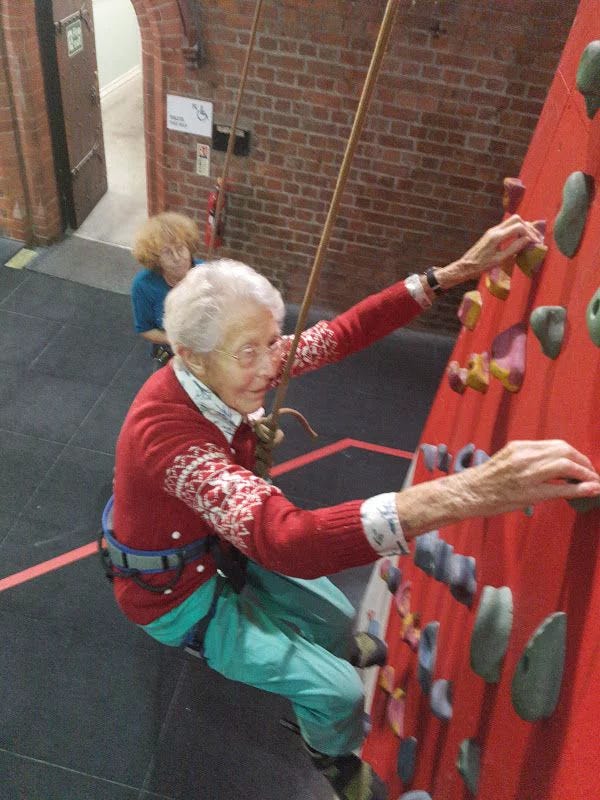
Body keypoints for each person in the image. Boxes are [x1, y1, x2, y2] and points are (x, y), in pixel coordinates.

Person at [107, 214, 600, 800]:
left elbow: (338, 335)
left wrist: (450, 275)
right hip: (173, 593)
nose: (272, 365)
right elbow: (286, 540)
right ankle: (330, 753)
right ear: (189, 356)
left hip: (210, 543)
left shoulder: (223, 364)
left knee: (338, 619)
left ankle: (337, 650)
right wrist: (471, 491)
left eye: (273, 341)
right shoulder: (166, 435)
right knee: (338, 692)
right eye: (251, 353)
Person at [130, 211, 202, 366]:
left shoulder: (207, 275)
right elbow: (145, 328)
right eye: (167, 252)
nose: (177, 258)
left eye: (181, 248)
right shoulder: (143, 286)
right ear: (156, 259)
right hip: (171, 352)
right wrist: (177, 341)